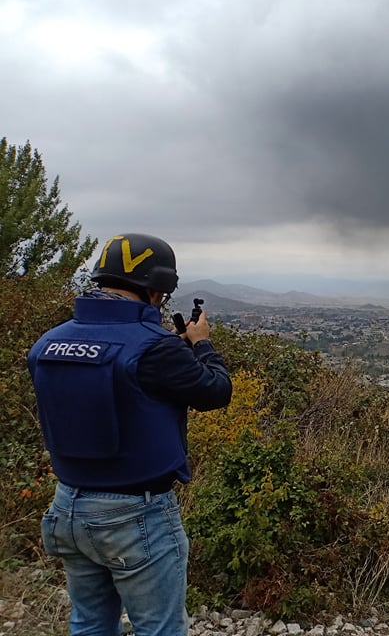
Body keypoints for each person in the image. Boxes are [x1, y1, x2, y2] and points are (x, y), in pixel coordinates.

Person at [27, 233, 233, 636]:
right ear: (157, 290)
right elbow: (215, 392)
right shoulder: (155, 348)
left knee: (88, 624)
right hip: (135, 513)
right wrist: (201, 345)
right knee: (160, 629)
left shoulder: (47, 343)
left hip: (67, 506)